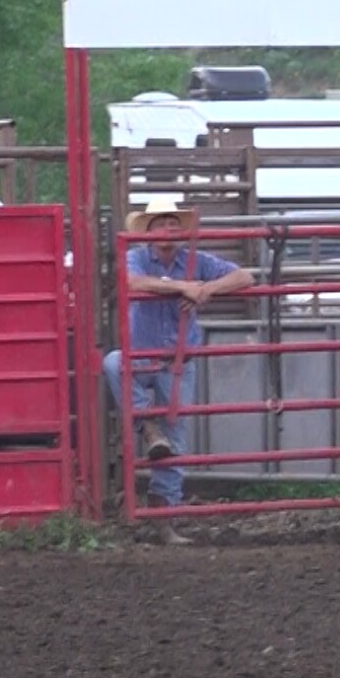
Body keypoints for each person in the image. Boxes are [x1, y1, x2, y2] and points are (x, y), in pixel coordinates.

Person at [102, 199, 253, 542]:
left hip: (177, 361)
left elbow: (244, 276)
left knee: (176, 441)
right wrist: (182, 287)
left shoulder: (194, 261)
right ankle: (148, 426)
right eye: (160, 223)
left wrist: (207, 289)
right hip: (141, 356)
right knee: (113, 363)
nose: (167, 230)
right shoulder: (137, 256)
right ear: (149, 231)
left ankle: (164, 519)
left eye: (173, 223)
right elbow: (131, 282)